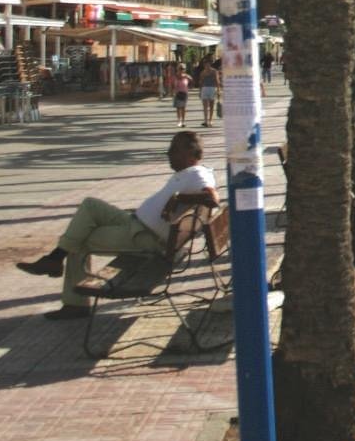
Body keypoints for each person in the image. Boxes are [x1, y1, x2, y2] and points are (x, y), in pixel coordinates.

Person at [16, 131, 218, 319]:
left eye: (174, 149)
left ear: (191, 153)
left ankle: (72, 298)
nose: (168, 153)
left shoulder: (197, 174)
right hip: (136, 224)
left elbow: (212, 199)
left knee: (79, 239)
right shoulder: (191, 172)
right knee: (90, 205)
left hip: (146, 238)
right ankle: (54, 259)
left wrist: (178, 197)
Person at [198, 59, 220, 127]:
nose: (206, 65)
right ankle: (206, 121)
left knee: (211, 106)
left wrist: (218, 90)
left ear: (210, 64)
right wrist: (200, 91)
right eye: (205, 64)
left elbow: (217, 81)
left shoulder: (214, 71)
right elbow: (201, 82)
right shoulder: (202, 72)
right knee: (205, 106)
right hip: (205, 89)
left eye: (208, 63)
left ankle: (210, 120)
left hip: (212, 88)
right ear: (204, 65)